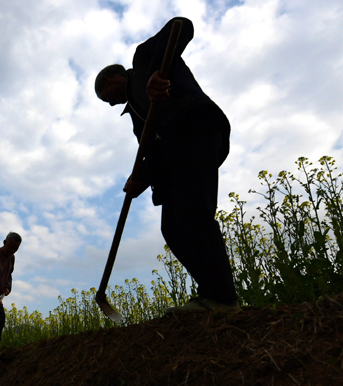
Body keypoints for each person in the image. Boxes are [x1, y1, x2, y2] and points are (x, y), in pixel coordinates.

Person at [95, 17, 239, 314]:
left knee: (193, 213)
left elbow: (181, 25)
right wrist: (140, 180)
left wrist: (158, 74)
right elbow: (155, 154)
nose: (110, 105)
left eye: (105, 98)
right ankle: (212, 294)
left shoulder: (146, 59)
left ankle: (223, 297)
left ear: (109, 81)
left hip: (195, 128)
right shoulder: (138, 116)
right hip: (176, 151)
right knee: (172, 227)